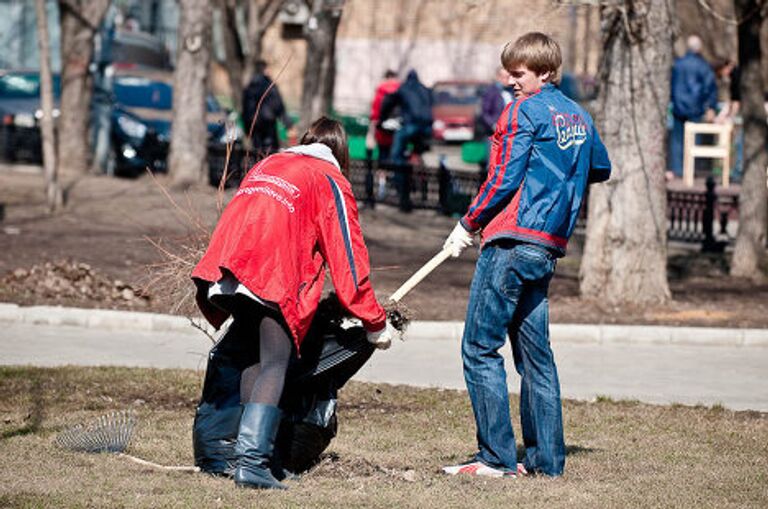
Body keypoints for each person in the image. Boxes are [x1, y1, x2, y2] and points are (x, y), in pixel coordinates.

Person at [191, 117, 400, 490]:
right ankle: (253, 465)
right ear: (340, 154)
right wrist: (374, 322)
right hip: (270, 275)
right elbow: (348, 258)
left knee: (256, 360)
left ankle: (247, 456)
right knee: (275, 363)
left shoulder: (270, 163)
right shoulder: (330, 180)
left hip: (227, 270)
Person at [441, 32, 611, 478]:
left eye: (518, 73)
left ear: (545, 73)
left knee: (479, 348)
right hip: (547, 247)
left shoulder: (522, 112)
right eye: (509, 72)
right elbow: (600, 167)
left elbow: (502, 177)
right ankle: (546, 463)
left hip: (512, 241)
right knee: (537, 357)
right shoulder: (579, 115)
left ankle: (495, 459)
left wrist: (467, 223)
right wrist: (559, 185)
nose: (510, 81)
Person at [668, 35, 718, 179]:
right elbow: (710, 87)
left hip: (678, 106)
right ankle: (691, 170)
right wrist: (711, 106)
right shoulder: (703, 65)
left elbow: (671, 84)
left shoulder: (678, 64)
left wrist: (673, 100)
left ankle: (678, 169)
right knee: (694, 139)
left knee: (677, 139)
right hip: (695, 108)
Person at [242, 59, 294, 158]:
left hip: (255, 125)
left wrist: (247, 128)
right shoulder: (269, 85)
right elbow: (278, 105)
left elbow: (246, 109)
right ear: (265, 69)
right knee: (270, 151)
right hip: (268, 124)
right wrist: (287, 123)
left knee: (257, 152)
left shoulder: (249, 86)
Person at [381, 69, 433, 164]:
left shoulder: (404, 88)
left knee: (397, 148)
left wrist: (383, 118)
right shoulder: (425, 90)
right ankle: (417, 158)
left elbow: (389, 102)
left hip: (411, 125)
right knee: (419, 146)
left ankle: (399, 174)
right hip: (427, 127)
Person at [366, 69, 401, 162]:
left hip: (380, 125)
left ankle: (378, 172)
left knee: (382, 151)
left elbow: (375, 108)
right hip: (396, 126)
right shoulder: (401, 90)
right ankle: (391, 173)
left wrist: (375, 122)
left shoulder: (380, 89)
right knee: (392, 152)